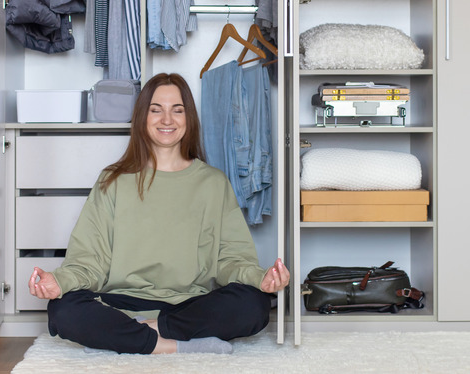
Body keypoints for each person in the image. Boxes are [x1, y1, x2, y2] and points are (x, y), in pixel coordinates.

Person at [28, 73, 290, 355]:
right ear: (142, 117)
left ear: (189, 118)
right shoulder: (113, 180)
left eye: (177, 110)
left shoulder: (214, 183)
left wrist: (260, 278)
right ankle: (173, 344)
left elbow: (231, 260)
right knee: (63, 309)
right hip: (120, 304)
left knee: (254, 305)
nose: (167, 120)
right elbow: (90, 260)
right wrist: (60, 281)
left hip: (190, 304)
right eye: (156, 110)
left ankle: (144, 333)